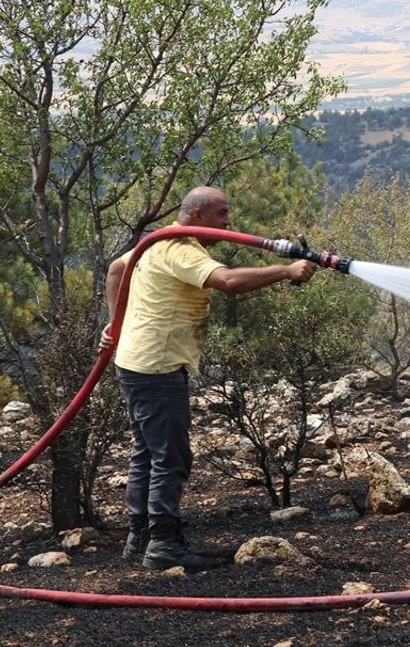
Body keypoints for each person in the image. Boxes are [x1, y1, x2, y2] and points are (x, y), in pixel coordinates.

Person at [100, 186, 318, 570]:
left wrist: (115, 324)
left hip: (136, 361)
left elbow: (117, 269)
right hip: (157, 366)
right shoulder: (179, 250)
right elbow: (229, 281)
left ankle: (140, 538)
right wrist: (286, 271)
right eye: (222, 213)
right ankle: (163, 545)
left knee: (148, 451)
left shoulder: (158, 241)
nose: (228, 222)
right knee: (170, 457)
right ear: (198, 215)